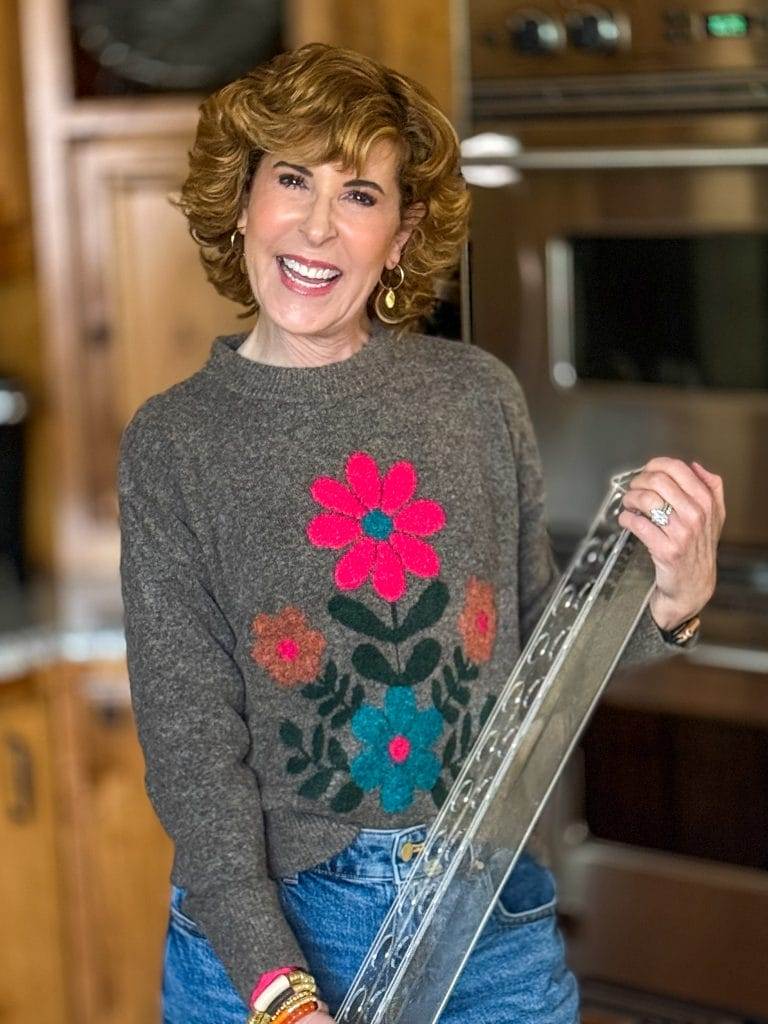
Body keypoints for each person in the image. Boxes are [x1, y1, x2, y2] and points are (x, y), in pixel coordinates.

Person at [117, 42, 725, 1024]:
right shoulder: (176, 441)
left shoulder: (475, 397)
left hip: (484, 913)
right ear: (241, 202)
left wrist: (671, 608)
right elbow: (193, 759)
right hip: (269, 935)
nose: (318, 224)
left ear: (400, 237)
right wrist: (278, 991)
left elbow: (539, 665)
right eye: (292, 178)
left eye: (360, 194)